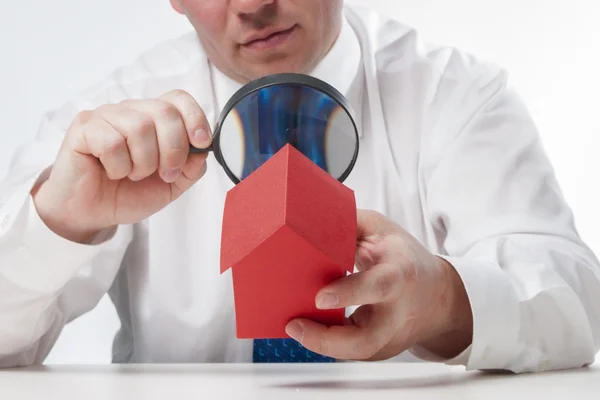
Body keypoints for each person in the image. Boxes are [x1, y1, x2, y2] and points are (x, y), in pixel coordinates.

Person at [0, 0, 599, 372]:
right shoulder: (107, 124)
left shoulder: (457, 94)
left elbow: (578, 302)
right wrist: (59, 225)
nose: (254, 3)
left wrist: (445, 300)